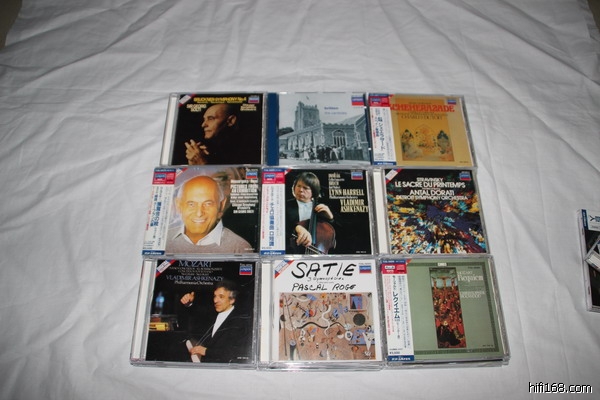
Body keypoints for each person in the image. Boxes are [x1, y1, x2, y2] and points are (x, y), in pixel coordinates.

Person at [166, 174, 253, 254]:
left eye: (208, 204)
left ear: (221, 205)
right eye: (191, 204)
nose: (199, 213)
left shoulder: (239, 248)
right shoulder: (164, 240)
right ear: (178, 205)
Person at [181, 281, 252, 363]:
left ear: (232, 300)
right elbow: (197, 313)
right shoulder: (214, 313)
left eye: (221, 297)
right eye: (215, 296)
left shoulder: (240, 322)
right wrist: (189, 303)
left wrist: (206, 351)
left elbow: (234, 352)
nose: (215, 300)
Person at [184, 103, 256, 165]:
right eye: (204, 119)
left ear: (231, 121)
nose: (203, 125)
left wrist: (202, 163)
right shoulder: (209, 151)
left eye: (211, 118)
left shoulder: (250, 150)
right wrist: (194, 164)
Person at [286, 171, 336, 254]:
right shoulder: (286, 205)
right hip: (293, 251)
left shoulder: (321, 208)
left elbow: (332, 232)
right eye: (298, 186)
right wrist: (296, 227)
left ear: (313, 191)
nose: (300, 190)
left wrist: (330, 218)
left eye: (305, 188)